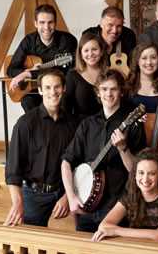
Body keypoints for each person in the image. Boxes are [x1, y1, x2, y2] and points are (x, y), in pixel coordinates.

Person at [61, 69, 146, 232]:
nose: (109, 93)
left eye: (113, 89)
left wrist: (123, 148)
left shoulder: (133, 124)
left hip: (117, 207)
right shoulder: (87, 125)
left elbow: (136, 171)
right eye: (104, 89)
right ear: (98, 93)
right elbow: (66, 162)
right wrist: (71, 197)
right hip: (87, 205)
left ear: (121, 92)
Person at [3, 68, 77, 227]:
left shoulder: (73, 124)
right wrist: (17, 203)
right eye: (48, 87)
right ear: (40, 90)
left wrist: (66, 197)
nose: (53, 92)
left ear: (64, 88)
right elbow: (12, 169)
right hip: (33, 194)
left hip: (62, 193)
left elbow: (78, 164)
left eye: (57, 86)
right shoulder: (25, 123)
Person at [92, 148, 158, 242]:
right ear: (135, 175)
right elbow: (103, 226)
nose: (145, 179)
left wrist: (116, 230)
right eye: (141, 173)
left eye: (151, 173)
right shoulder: (130, 196)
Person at [7, 4, 77, 113]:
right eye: (42, 23)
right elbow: (10, 69)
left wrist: (29, 74)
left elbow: (63, 71)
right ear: (35, 23)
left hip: (59, 91)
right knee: (27, 101)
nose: (46, 27)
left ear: (55, 23)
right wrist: (24, 71)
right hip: (37, 91)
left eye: (50, 22)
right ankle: (38, 128)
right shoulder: (29, 41)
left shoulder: (67, 41)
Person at [62, 33, 108, 123]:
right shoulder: (73, 76)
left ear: (101, 52)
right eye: (86, 50)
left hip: (106, 125)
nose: (90, 54)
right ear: (81, 54)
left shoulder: (109, 74)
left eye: (94, 49)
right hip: (81, 128)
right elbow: (66, 109)